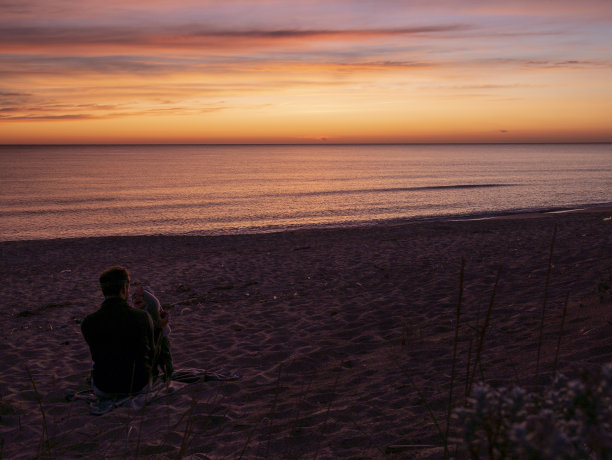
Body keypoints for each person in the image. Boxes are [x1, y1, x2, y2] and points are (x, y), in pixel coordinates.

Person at [81, 266, 155, 395]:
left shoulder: (88, 322)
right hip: (139, 385)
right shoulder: (142, 317)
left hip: (104, 388)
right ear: (124, 289)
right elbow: (151, 354)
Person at [132, 285, 173, 380]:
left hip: (161, 339)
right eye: (134, 297)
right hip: (149, 341)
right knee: (151, 362)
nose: (136, 298)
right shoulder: (138, 313)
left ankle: (169, 375)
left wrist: (144, 293)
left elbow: (154, 302)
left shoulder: (153, 308)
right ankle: (154, 376)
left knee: (164, 359)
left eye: (141, 296)